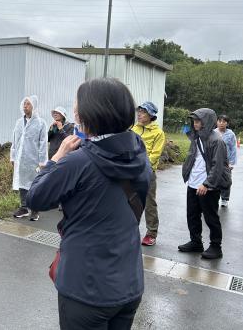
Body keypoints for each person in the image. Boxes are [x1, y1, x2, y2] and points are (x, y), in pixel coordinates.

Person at [27, 78, 150, 330]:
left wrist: (57, 157)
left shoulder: (78, 162)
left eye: (77, 104)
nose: (74, 109)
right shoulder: (139, 152)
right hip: (129, 281)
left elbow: (35, 198)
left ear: (90, 113)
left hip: (86, 288)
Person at [178, 108, 230, 259]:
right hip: (193, 183)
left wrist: (207, 184)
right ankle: (196, 242)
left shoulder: (217, 141)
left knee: (211, 217)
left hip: (209, 186)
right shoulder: (196, 137)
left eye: (198, 121)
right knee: (192, 215)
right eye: (194, 121)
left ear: (206, 122)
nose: (195, 124)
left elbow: (218, 165)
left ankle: (216, 247)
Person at [10, 95, 49, 222]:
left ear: (34, 106)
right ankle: (24, 208)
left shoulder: (41, 123)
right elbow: (15, 141)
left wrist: (42, 161)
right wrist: (13, 156)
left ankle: (35, 210)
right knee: (22, 183)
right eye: (24, 103)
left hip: (34, 160)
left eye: (28, 104)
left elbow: (43, 143)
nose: (25, 106)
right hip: (21, 159)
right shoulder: (19, 122)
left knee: (34, 185)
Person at [132, 101, 165, 246]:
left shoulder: (158, 133)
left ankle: (151, 233)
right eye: (139, 111)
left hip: (147, 173)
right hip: (130, 171)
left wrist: (142, 168)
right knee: (129, 202)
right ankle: (128, 231)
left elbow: (155, 155)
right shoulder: (134, 129)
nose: (139, 114)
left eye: (143, 112)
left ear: (151, 115)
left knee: (149, 203)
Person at [214, 115, 237, 207]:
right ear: (217, 122)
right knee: (213, 179)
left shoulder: (230, 134)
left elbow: (233, 148)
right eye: (219, 121)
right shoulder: (213, 132)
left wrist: (231, 163)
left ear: (227, 123)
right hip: (214, 160)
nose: (221, 123)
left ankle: (225, 198)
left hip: (226, 162)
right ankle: (213, 198)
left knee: (226, 180)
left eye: (224, 121)